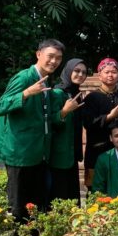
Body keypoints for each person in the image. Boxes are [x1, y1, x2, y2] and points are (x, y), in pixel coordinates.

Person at [0, 39, 79, 223]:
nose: (54, 61)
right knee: (18, 203)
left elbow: (45, 119)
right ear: (38, 54)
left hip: (38, 153)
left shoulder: (45, 80)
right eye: (50, 56)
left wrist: (62, 114)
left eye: (58, 58)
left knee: (36, 202)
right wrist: (26, 93)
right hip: (19, 153)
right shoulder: (24, 78)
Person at [81, 58, 118, 190]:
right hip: (98, 150)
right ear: (100, 75)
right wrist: (109, 117)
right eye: (107, 72)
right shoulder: (92, 97)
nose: (110, 75)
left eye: (114, 72)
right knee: (97, 189)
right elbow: (88, 123)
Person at [49, 58, 87, 205]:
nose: (80, 75)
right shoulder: (58, 92)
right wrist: (64, 111)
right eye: (76, 71)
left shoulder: (76, 93)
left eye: (83, 72)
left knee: (72, 198)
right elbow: (50, 122)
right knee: (60, 197)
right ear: (68, 71)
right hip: (59, 154)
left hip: (71, 154)